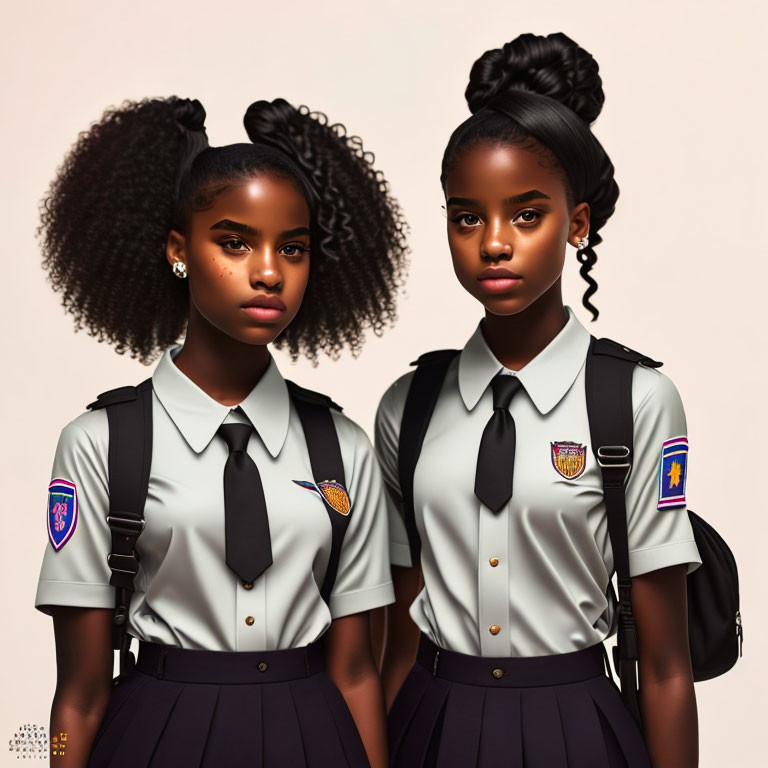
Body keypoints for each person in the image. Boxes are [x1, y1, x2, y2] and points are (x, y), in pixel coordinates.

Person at [35, 94, 408, 767]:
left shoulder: (342, 447)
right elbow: (79, 697)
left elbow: (358, 675)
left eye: (291, 249)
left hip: (313, 733)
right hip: (157, 730)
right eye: (234, 242)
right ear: (179, 250)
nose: (268, 272)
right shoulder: (103, 444)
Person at [376, 33, 700, 767]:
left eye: (527, 215)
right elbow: (394, 642)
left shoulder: (636, 401)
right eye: (468, 216)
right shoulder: (408, 407)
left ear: (576, 223)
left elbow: (669, 665)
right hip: (432, 718)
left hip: (577, 723)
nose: (494, 243)